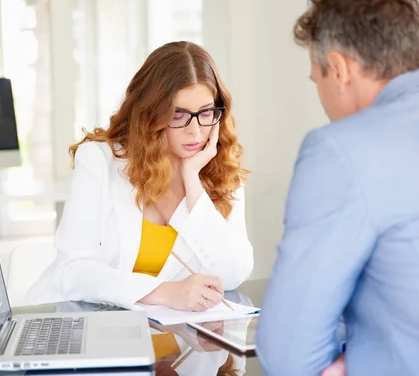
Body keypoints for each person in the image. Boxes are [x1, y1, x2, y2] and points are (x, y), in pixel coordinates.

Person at [256, 0, 419, 376]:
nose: (323, 101)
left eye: (318, 80)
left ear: (340, 69)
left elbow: (288, 355)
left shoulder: (338, 149)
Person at [25, 41, 253, 311]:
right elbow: (73, 269)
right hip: (82, 322)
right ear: (151, 112)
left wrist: (193, 182)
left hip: (164, 335)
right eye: (179, 115)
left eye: (205, 113)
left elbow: (233, 274)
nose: (195, 131)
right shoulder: (98, 159)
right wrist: (165, 292)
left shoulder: (221, 169)